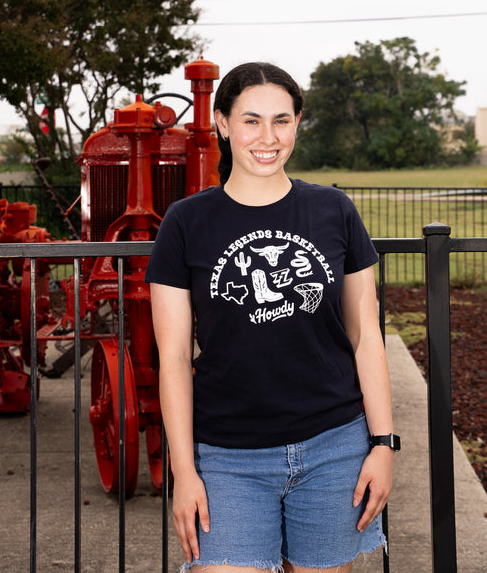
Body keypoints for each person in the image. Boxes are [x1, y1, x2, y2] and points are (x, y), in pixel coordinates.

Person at [146, 61, 398, 573]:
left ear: (298, 123)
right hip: (226, 456)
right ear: (221, 122)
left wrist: (383, 444)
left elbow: (366, 336)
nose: (268, 136)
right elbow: (172, 357)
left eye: (282, 120)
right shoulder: (186, 222)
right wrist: (184, 471)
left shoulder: (334, 210)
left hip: (334, 447)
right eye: (251, 120)